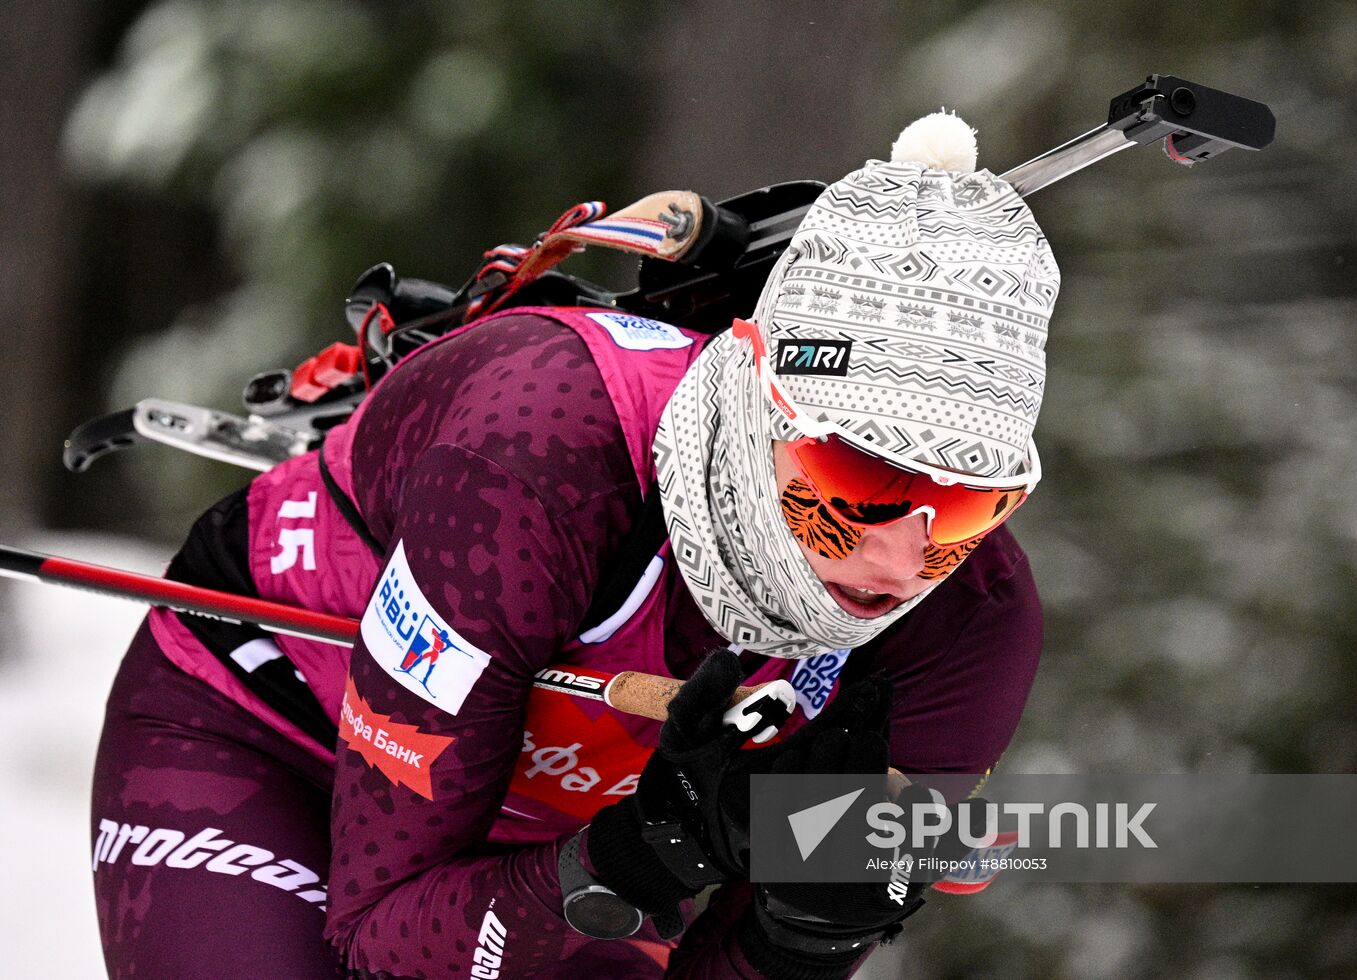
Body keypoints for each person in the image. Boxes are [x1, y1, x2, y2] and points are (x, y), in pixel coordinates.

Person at [89, 109, 1058, 978]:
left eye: (972, 505)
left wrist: (797, 936)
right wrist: (638, 852)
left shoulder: (968, 624)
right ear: (759, 396)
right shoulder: (536, 449)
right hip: (268, 723)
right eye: (860, 484)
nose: (899, 563)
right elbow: (378, 938)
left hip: (548, 835)